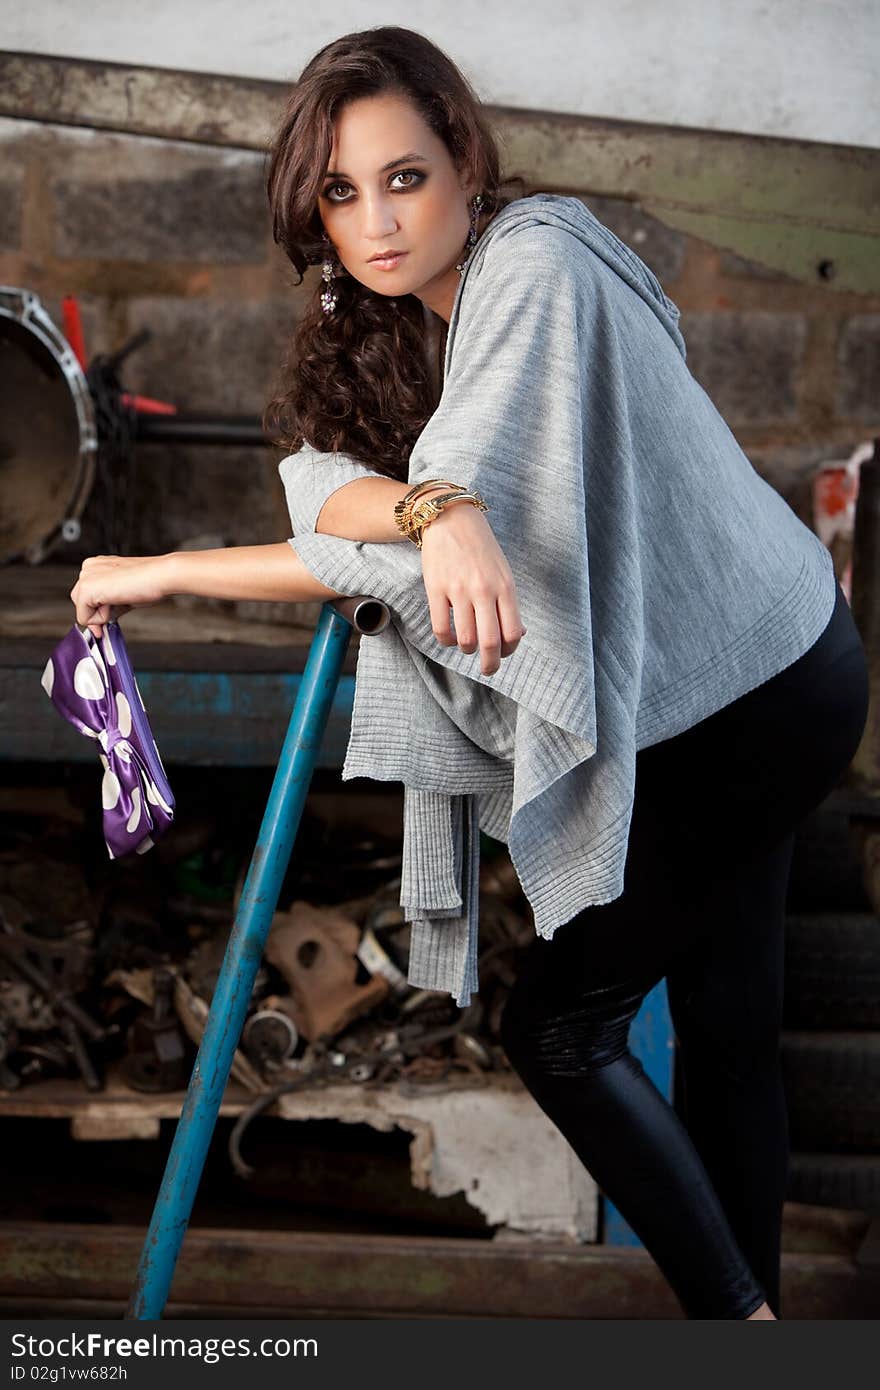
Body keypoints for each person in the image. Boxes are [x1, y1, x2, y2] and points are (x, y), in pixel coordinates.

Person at [69, 27, 870, 1321]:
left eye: (405, 177)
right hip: (736, 673)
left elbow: (379, 544)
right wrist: (435, 508)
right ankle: (755, 1326)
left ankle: (744, 1322)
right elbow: (333, 495)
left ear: (466, 162)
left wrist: (171, 567)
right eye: (341, 192)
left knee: (561, 1026)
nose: (376, 222)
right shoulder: (418, 330)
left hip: (762, 695)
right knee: (728, 1019)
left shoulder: (537, 266)